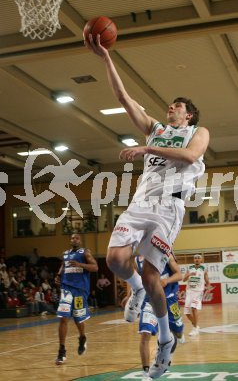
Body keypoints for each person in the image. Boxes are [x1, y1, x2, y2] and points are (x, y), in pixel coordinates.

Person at [85, 34, 209, 378]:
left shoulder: (198, 132)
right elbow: (123, 97)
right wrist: (105, 57)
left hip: (169, 209)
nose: (171, 108)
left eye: (177, 107)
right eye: (170, 106)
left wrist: (146, 150)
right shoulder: (155, 129)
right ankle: (135, 288)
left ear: (189, 115)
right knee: (114, 260)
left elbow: (190, 156)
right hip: (141, 202)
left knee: (155, 274)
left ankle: (166, 340)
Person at [122, 255, 185, 381]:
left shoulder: (165, 254)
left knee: (178, 332)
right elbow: (137, 281)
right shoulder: (136, 260)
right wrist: (129, 295)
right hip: (149, 300)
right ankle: (145, 373)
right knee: (145, 334)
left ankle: (169, 343)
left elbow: (179, 275)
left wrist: (166, 281)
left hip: (169, 298)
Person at [55, 233, 98, 365]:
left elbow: (95, 267)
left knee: (78, 317)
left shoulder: (85, 252)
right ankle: (62, 350)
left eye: (76, 238)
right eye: (72, 238)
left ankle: (82, 337)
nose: (74, 239)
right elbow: (63, 265)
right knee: (63, 318)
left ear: (80, 241)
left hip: (80, 290)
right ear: (70, 240)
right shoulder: (65, 253)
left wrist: (80, 264)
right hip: (66, 288)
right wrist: (58, 275)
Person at [183, 254, 211, 336]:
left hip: (198, 292)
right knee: (187, 313)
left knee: (194, 308)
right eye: (195, 258)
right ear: (193, 260)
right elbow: (184, 280)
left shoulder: (204, 269)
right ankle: (196, 325)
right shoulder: (189, 268)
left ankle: (194, 329)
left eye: (198, 258)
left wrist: (208, 287)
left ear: (201, 260)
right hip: (189, 292)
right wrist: (189, 275)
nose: (197, 259)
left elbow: (207, 281)